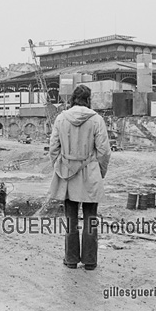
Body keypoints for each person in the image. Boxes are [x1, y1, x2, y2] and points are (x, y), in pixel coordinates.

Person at [48, 85, 111, 271]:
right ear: (88, 99)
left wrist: (59, 168)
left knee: (71, 219)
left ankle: (71, 259)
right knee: (91, 218)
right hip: (90, 172)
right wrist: (99, 172)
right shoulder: (97, 119)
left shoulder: (61, 118)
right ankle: (90, 261)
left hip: (67, 174)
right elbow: (104, 151)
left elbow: (53, 149)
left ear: (72, 99)